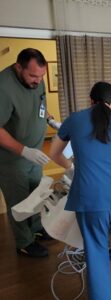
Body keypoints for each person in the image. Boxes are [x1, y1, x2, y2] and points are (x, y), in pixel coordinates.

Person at [49, 82, 111, 300]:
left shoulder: (74, 120)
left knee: (96, 256)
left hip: (90, 200)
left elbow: (54, 153)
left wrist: (72, 167)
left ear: (91, 101)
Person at [0, 48, 51, 257]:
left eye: (41, 76)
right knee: (19, 201)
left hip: (35, 153)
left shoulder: (37, 79)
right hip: (12, 159)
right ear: (18, 67)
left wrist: (47, 117)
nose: (37, 81)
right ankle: (24, 242)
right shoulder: (4, 87)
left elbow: (39, 103)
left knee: (36, 193)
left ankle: (36, 229)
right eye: (32, 76)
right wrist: (24, 151)